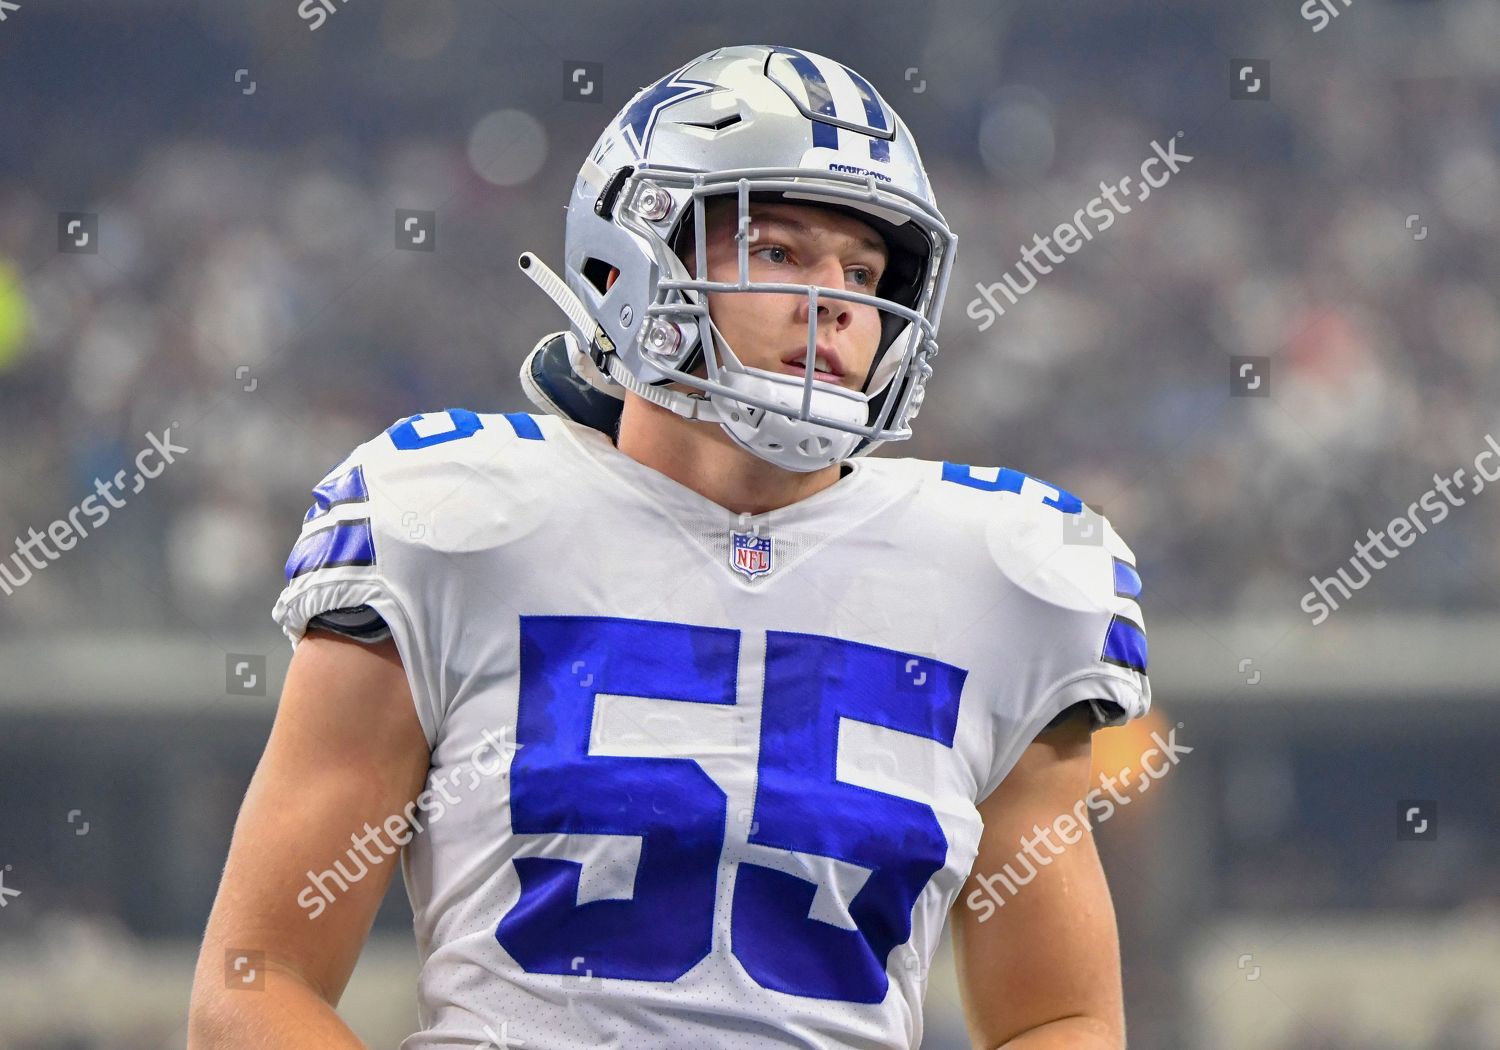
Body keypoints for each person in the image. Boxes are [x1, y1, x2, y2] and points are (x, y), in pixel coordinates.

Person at [188, 44, 1152, 1050]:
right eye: (777, 251)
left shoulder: (1000, 580)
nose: (832, 305)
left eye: (863, 271)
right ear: (630, 256)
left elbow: (1060, 1016)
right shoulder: (454, 525)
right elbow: (254, 984)